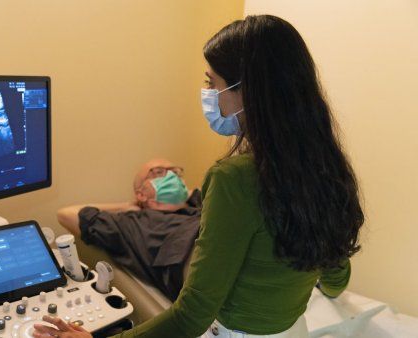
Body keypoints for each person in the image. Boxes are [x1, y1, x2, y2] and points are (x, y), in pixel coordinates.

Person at [34, 14, 364, 338]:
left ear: (247, 91)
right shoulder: (323, 167)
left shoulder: (234, 180)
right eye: (156, 173)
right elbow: (335, 271)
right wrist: (133, 207)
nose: (207, 93)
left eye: (212, 83)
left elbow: (192, 315)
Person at [56, 158, 202, 300]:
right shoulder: (132, 223)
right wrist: (125, 206)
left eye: (176, 173)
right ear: (141, 194)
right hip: (200, 261)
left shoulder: (199, 205)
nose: (172, 177)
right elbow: (65, 214)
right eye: (159, 172)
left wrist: (185, 197)